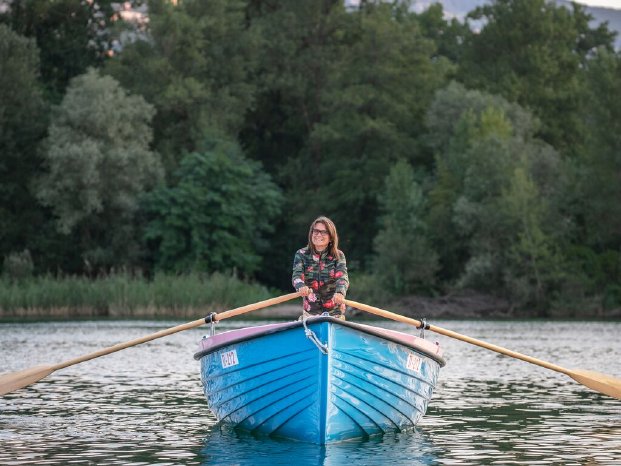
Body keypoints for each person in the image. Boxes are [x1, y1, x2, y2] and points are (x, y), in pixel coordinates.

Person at [292, 216, 349, 319]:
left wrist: (340, 292)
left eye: (324, 232)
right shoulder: (301, 254)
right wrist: (300, 286)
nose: (318, 235)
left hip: (335, 314)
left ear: (331, 237)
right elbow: (297, 276)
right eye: (316, 231)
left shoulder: (338, 256)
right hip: (310, 315)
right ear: (311, 233)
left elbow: (342, 278)